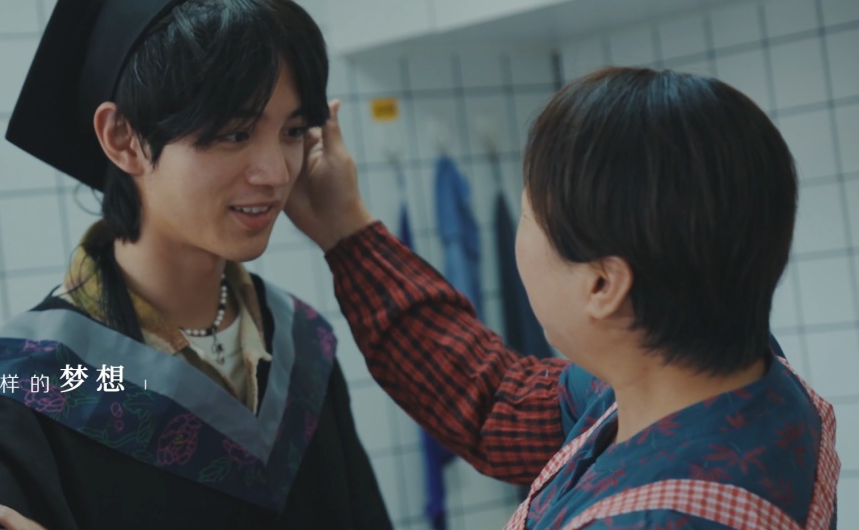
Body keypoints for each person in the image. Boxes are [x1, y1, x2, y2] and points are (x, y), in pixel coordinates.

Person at [0, 0, 390, 528]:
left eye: (293, 131)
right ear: (123, 138)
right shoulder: (5, 406)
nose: (276, 172)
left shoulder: (301, 352)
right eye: (235, 133)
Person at [283, 67, 840, 529]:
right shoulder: (737, 382)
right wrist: (345, 229)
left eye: (528, 215)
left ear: (601, 285)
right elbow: (495, 399)